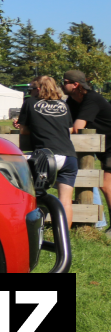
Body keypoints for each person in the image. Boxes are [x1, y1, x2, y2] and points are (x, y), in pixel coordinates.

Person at [20, 76, 78, 227]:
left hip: (46, 156)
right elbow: (70, 128)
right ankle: (64, 237)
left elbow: (24, 130)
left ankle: (32, 229)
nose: (30, 92)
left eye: (32, 88)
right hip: (69, 156)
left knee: (33, 194)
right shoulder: (63, 104)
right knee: (65, 201)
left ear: (38, 89)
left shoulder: (30, 102)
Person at [63, 70, 111, 226]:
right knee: (90, 178)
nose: (62, 85)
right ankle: (94, 223)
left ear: (75, 85)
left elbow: (77, 128)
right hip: (98, 145)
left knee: (105, 183)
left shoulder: (92, 99)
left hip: (109, 145)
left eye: (65, 82)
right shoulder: (71, 101)